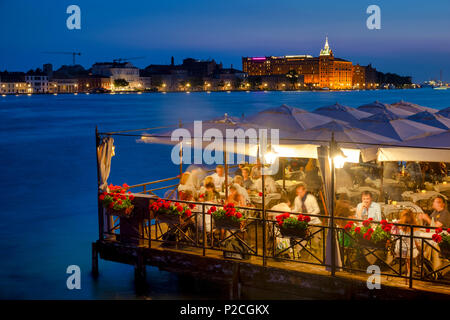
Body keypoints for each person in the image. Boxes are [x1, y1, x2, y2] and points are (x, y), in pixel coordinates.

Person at [394, 209, 421, 281]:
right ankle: (418, 268)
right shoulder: (415, 229)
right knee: (421, 251)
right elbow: (417, 242)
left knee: (408, 250)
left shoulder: (399, 227)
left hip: (399, 249)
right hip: (409, 252)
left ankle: (407, 269)